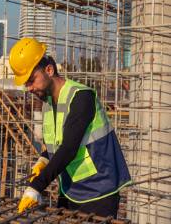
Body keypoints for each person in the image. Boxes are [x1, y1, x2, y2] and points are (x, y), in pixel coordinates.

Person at [9, 38, 131, 218]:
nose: (29, 88)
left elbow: (69, 148)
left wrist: (36, 187)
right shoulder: (48, 103)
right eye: (26, 83)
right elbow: (57, 142)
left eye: (31, 80)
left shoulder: (81, 97)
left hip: (99, 193)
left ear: (49, 70)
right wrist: (44, 159)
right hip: (70, 191)